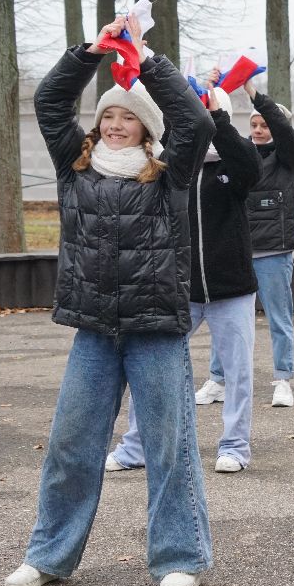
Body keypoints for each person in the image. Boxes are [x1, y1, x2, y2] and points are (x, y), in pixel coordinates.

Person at [6, 21, 214, 586]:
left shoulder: (171, 173)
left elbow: (194, 119)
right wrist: (92, 52)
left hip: (156, 330)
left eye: (127, 117)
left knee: (169, 448)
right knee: (71, 445)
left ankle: (180, 558)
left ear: (146, 127)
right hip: (94, 331)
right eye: (107, 116)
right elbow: (49, 100)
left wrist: (145, 58)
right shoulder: (75, 167)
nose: (115, 125)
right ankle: (49, 555)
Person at [108, 84, 261, 474]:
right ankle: (135, 448)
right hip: (177, 289)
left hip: (233, 289)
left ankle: (235, 447)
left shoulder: (232, 165)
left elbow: (250, 166)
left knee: (239, 372)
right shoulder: (170, 164)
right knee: (151, 366)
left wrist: (219, 118)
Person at [203, 79, 294, 409]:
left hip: (273, 250)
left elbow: (284, 132)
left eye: (265, 124)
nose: (259, 130)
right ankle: (218, 379)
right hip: (239, 249)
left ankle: (282, 379)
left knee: (278, 317)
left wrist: (257, 97)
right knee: (225, 319)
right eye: (254, 124)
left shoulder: (287, 158)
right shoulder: (240, 156)